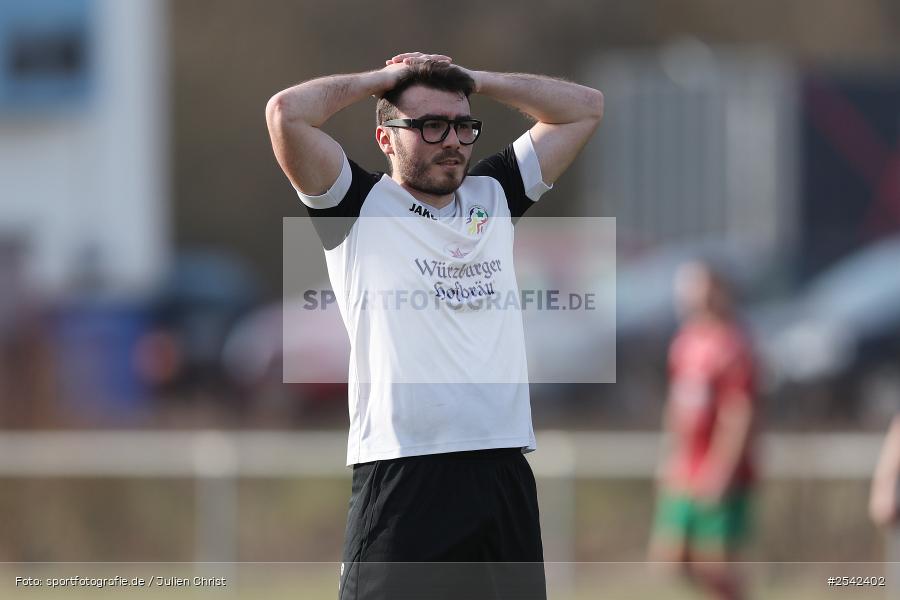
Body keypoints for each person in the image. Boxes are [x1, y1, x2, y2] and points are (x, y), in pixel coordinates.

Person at [265, 52, 603, 599]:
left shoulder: (493, 193)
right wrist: (383, 79)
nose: (452, 140)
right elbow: (286, 114)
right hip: (404, 474)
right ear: (385, 138)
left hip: (501, 472)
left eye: (463, 125)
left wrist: (477, 81)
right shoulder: (356, 204)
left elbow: (584, 109)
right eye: (429, 125)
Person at [648, 261, 758, 600]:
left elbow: (738, 413)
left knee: (717, 563)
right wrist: (669, 455)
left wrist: (722, 467)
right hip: (686, 465)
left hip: (717, 465)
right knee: (670, 559)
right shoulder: (684, 343)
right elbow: (677, 407)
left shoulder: (733, 345)